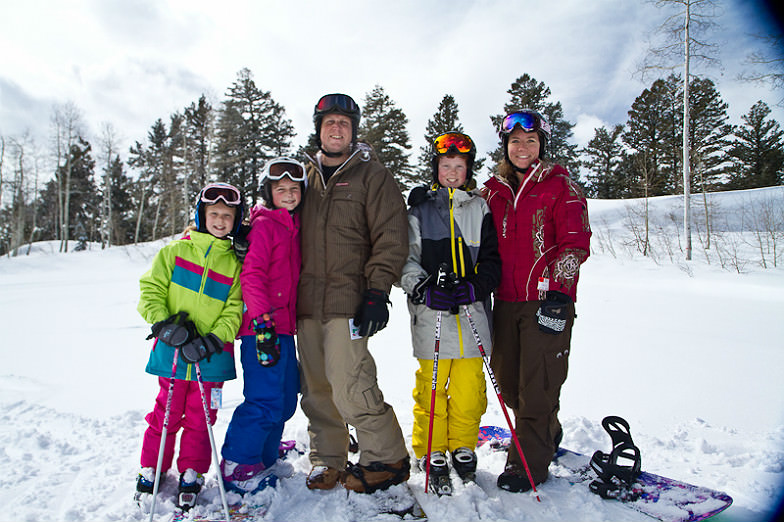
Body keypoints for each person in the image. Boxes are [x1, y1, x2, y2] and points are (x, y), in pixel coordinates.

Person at [297, 93, 410, 493]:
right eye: (329, 122)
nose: (336, 128)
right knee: (315, 388)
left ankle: (387, 456)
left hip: (349, 300)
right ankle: (328, 459)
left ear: (353, 131)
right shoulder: (302, 177)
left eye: (344, 123)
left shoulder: (372, 175)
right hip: (306, 302)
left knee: (351, 383)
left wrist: (378, 290)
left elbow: (391, 236)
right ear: (319, 129)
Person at [482, 109, 591, 492]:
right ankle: (546, 428)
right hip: (505, 301)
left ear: (541, 144)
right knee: (509, 383)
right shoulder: (491, 191)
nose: (522, 147)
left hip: (548, 301)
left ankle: (525, 463)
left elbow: (575, 244)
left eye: (530, 141)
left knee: (538, 383)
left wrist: (560, 292)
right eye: (515, 141)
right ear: (506, 146)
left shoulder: (562, 186)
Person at [401, 132, 501, 493]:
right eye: (446, 165)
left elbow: (492, 260)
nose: (453, 172)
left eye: (460, 166)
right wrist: (424, 288)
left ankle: (461, 445)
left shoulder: (480, 208)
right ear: (436, 167)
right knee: (431, 388)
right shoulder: (420, 209)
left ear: (468, 169)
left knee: (469, 388)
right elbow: (407, 261)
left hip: (472, 311)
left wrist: (475, 287)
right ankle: (431, 449)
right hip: (433, 315)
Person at [135, 182, 245, 508]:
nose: (220, 220)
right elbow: (150, 291)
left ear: (235, 220)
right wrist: (165, 326)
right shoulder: (174, 252)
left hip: (210, 356)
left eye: (227, 215)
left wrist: (213, 340)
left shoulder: (235, 265)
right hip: (172, 352)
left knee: (201, 418)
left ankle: (192, 472)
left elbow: (234, 310)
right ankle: (151, 467)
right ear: (201, 215)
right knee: (166, 413)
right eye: (214, 214)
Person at [219, 158, 307, 494]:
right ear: (269, 193)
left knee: (285, 400)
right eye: (280, 189)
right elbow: (252, 275)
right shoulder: (266, 225)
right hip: (262, 329)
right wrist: (262, 322)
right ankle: (238, 463)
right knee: (264, 398)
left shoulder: (290, 226)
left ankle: (264, 458)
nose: (287, 194)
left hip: (283, 329)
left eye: (293, 189)